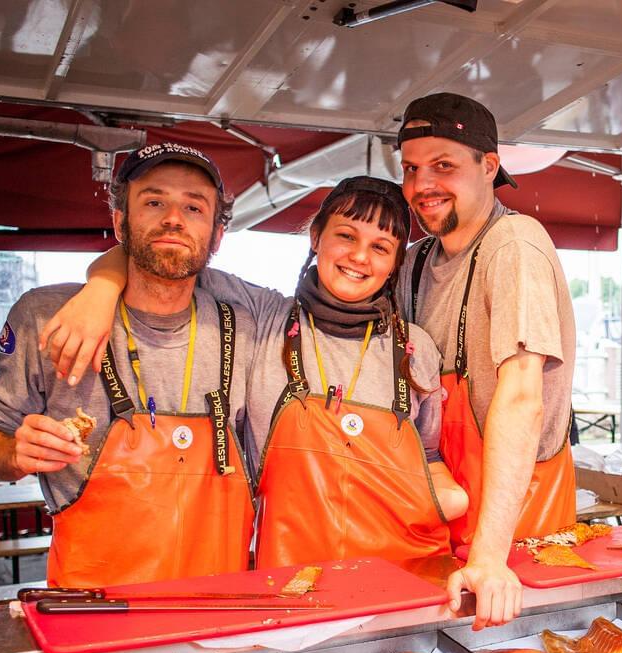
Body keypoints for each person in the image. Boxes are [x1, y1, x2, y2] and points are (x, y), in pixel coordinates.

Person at [40, 178, 468, 568]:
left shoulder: (414, 347)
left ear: (395, 262)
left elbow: (428, 456)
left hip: (404, 571)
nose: (359, 256)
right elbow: (164, 255)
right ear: (316, 237)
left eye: (380, 247)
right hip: (292, 579)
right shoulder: (264, 317)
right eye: (346, 236)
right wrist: (100, 289)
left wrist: (443, 495)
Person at [0, 143, 257, 588]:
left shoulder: (248, 325)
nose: (174, 219)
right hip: (93, 603)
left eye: (194, 207)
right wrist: (13, 453)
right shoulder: (45, 317)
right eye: (154, 201)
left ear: (218, 235)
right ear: (120, 221)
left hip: (220, 603)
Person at [397, 93, 577, 628]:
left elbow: (522, 397)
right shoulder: (413, 262)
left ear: (489, 166)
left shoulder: (514, 247)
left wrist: (491, 558)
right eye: (410, 169)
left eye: (443, 166)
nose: (421, 185)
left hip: (515, 529)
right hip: (441, 517)